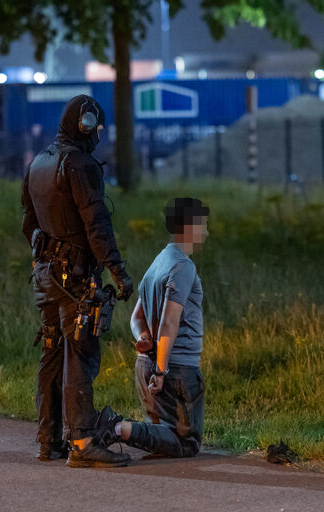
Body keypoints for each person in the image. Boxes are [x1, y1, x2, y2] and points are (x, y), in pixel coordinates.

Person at [21, 95, 134, 468]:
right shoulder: (81, 166)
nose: (99, 136)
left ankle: (48, 440)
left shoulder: (39, 162)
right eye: (97, 128)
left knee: (52, 351)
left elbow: (28, 222)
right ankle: (83, 442)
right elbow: (96, 225)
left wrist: (46, 256)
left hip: (46, 276)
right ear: (85, 124)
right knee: (80, 355)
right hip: (77, 279)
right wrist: (117, 270)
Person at [93, 197, 209, 458]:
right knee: (185, 443)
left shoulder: (159, 261)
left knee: (160, 436)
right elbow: (170, 321)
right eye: (203, 225)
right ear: (189, 227)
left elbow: (136, 317)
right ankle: (116, 427)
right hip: (174, 370)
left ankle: (114, 428)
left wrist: (143, 336)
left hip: (146, 365)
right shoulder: (182, 266)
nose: (206, 232)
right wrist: (161, 369)